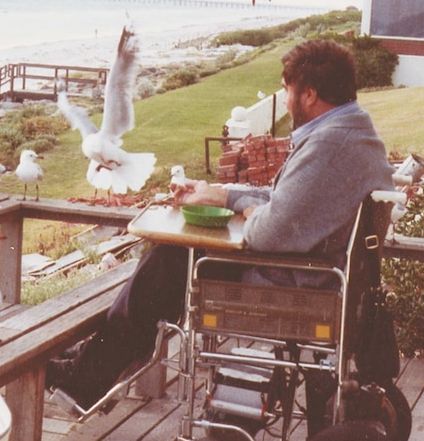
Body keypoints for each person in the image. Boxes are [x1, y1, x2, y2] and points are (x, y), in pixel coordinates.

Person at [46, 39, 396, 410]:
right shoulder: (350, 132)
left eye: (286, 88)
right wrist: (221, 195)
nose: (284, 95)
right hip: (317, 274)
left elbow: (268, 230)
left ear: (309, 94)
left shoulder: (329, 146)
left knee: (168, 259)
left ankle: (89, 378)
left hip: (301, 287)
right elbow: (285, 203)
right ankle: (96, 366)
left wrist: (248, 210)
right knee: (167, 262)